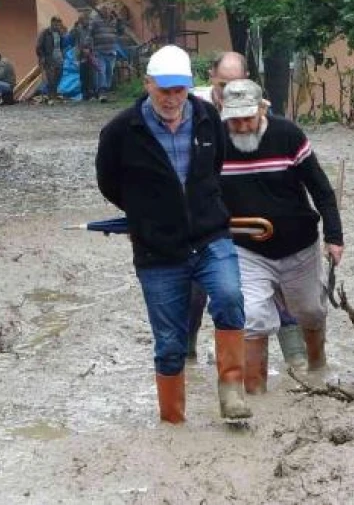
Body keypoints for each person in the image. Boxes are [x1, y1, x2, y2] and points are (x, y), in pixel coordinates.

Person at [95, 45, 252, 424]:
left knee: (230, 297)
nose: (171, 98)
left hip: (210, 235)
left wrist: (200, 206)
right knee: (169, 344)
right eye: (163, 90)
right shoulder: (121, 131)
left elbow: (215, 168)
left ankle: (231, 390)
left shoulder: (207, 119)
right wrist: (147, 214)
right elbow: (109, 184)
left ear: (189, 87)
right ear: (148, 84)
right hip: (157, 250)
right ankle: (173, 423)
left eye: (178, 90)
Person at [218, 78, 344, 393]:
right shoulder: (215, 141)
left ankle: (317, 369)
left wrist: (334, 236)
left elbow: (321, 189)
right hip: (247, 249)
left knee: (310, 311)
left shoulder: (287, 135)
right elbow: (200, 193)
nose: (243, 125)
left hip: (298, 245)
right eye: (235, 119)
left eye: (248, 117)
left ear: (263, 109)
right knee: (252, 317)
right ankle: (256, 396)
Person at [186, 52, 309, 372]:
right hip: (207, 213)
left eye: (236, 84)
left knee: (278, 282)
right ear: (211, 76)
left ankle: (298, 360)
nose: (229, 91)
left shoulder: (259, 108)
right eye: (223, 84)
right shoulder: (191, 108)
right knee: (195, 288)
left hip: (252, 214)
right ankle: (187, 358)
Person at [90, 8, 118, 101]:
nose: (106, 11)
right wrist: (87, 47)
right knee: (101, 71)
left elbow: (121, 31)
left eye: (108, 9)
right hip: (99, 51)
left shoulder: (114, 21)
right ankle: (102, 92)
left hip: (111, 51)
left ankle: (106, 90)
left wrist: (119, 19)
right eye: (104, 9)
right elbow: (89, 34)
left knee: (109, 72)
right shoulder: (96, 21)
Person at [36, 17, 66, 101]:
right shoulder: (45, 33)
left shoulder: (60, 33)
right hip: (49, 59)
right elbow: (39, 46)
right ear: (52, 23)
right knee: (50, 78)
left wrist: (63, 54)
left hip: (59, 58)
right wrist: (41, 56)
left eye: (59, 24)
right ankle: (50, 96)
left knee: (58, 76)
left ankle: (54, 94)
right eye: (56, 24)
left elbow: (62, 45)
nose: (57, 26)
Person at [69, 13, 97, 101]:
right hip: (81, 55)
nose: (84, 22)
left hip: (91, 54)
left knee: (91, 74)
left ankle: (91, 93)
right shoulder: (77, 29)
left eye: (85, 20)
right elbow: (71, 36)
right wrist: (75, 25)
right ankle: (85, 94)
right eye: (82, 20)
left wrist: (90, 49)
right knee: (83, 75)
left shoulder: (91, 29)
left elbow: (94, 39)